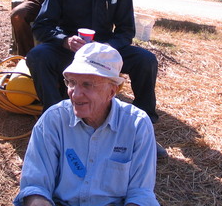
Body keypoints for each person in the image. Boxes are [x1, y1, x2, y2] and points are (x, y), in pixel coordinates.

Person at [26, 0, 167, 158]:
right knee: (37, 56)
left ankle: (143, 129)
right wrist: (65, 40)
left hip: (106, 48)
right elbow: (43, 26)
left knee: (145, 60)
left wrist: (106, 47)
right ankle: (54, 124)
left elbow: (126, 31)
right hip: (71, 50)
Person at [14, 42, 159, 206]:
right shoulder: (53, 120)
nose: (75, 94)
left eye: (87, 84)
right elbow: (35, 186)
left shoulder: (137, 125)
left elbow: (140, 194)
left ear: (112, 91)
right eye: (72, 82)